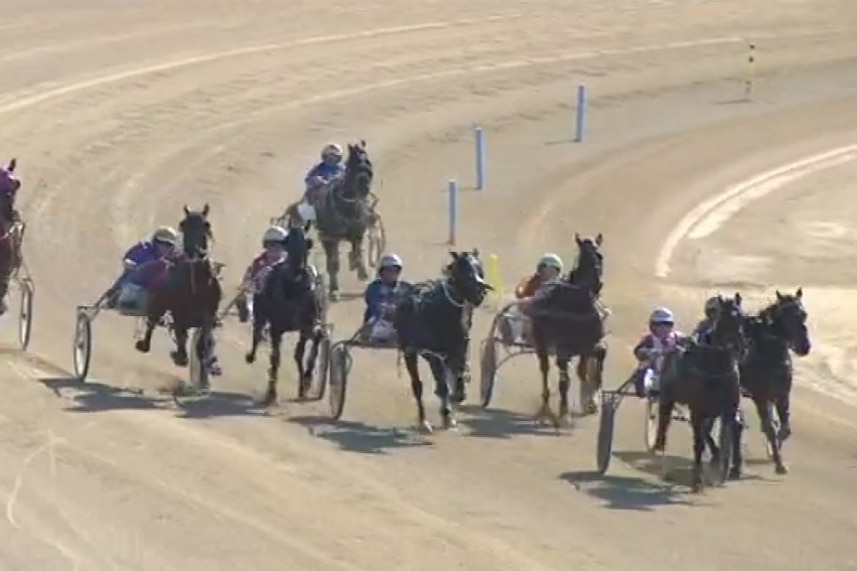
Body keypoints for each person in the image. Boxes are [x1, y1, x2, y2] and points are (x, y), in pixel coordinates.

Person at [631, 307, 690, 397]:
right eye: (658, 325)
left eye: (667, 324)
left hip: (675, 373)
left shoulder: (679, 338)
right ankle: (643, 391)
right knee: (642, 368)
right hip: (654, 372)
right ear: (652, 326)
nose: (663, 328)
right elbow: (638, 352)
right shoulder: (648, 339)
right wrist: (654, 352)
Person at [236, 225, 289, 322]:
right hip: (262, 297)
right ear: (266, 245)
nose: (274, 248)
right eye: (271, 244)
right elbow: (249, 280)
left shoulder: (288, 262)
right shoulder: (259, 262)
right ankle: (247, 311)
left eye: (278, 244)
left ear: (284, 246)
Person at [362, 253, 410, 344]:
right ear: (382, 272)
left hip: (401, 324)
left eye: (395, 271)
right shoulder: (374, 287)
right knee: (372, 329)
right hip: (380, 321)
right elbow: (373, 304)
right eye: (388, 270)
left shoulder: (407, 287)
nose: (392, 274)